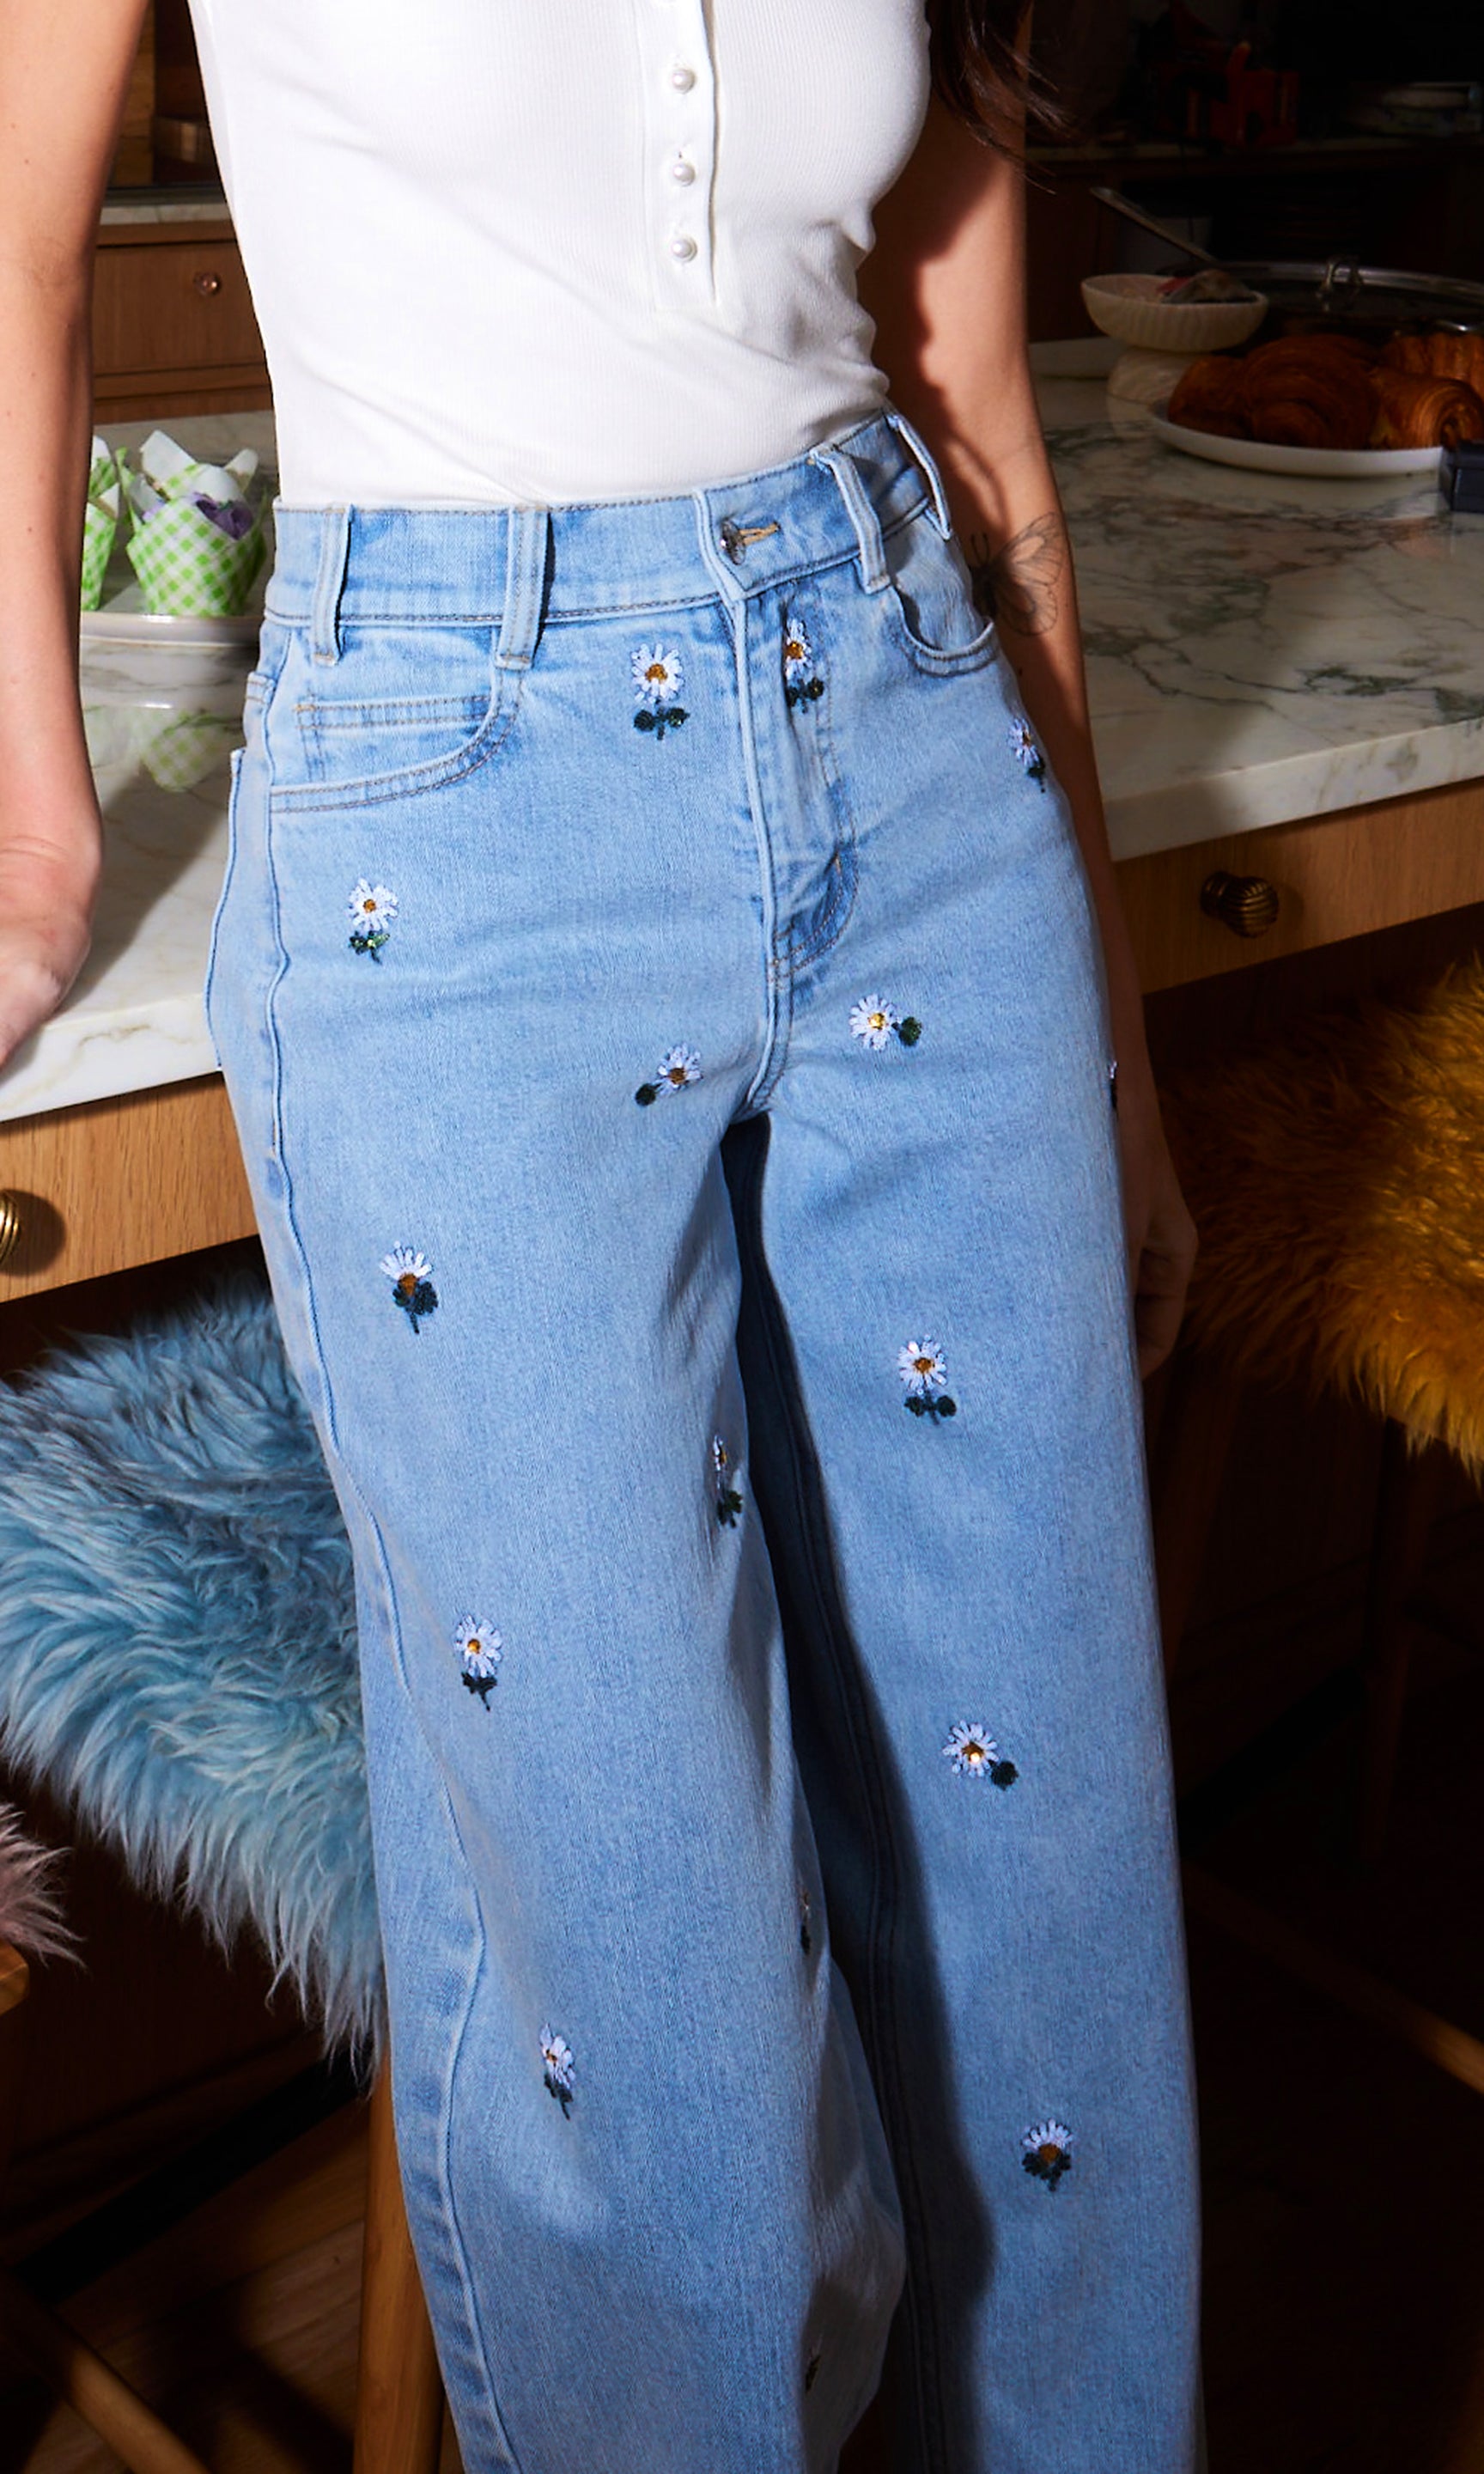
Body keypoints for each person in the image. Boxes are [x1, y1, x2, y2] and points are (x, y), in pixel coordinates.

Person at [0, 3, 1201, 2465]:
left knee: (1045, 1872)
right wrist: (31, 812)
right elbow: (20, 241)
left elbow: (979, 415)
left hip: (916, 743)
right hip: (452, 802)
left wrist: (1121, 1046)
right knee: (656, 1986)